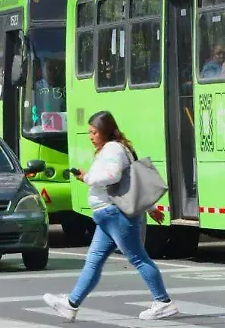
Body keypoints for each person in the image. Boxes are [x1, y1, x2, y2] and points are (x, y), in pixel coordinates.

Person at [42, 111, 179, 321]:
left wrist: (87, 177)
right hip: (107, 217)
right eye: (89, 132)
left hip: (115, 214)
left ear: (105, 132)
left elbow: (113, 176)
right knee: (93, 261)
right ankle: (71, 304)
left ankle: (163, 302)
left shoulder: (113, 149)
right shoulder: (112, 148)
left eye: (94, 132)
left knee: (137, 258)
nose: (91, 136)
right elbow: (130, 184)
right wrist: (151, 209)